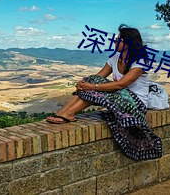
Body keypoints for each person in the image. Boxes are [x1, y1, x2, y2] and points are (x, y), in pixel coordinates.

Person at [46, 24, 162, 160]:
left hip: (135, 103)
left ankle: (69, 113)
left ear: (127, 43)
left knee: (94, 86)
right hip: (119, 96)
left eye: (119, 39)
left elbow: (121, 84)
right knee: (92, 80)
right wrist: (84, 84)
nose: (115, 41)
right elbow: (99, 77)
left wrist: (92, 86)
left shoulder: (139, 62)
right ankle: (64, 112)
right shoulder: (114, 58)